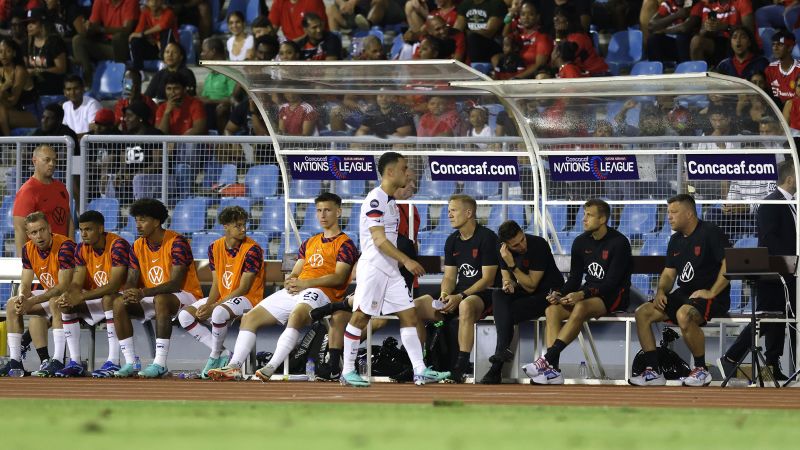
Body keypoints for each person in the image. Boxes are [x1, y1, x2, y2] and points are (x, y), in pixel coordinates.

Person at [208, 193, 357, 381]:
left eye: (327, 210)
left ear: (339, 212)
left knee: (296, 314)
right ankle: (234, 366)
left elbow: (339, 277)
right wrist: (291, 280)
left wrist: (305, 283)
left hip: (323, 293)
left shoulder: (345, 244)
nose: (322, 215)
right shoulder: (309, 242)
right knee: (250, 317)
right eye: (319, 210)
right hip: (300, 289)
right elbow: (297, 271)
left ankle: (271, 367)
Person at [340, 152, 449, 387]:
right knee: (360, 317)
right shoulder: (375, 200)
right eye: (403, 168)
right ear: (390, 172)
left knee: (409, 315)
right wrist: (407, 260)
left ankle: (420, 370)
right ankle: (347, 371)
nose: (407, 172)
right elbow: (379, 240)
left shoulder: (390, 201)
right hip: (374, 270)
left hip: (390, 271)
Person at [522, 198, 632, 384]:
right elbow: (574, 279)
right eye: (584, 214)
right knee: (552, 310)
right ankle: (553, 371)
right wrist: (561, 294)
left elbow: (612, 283)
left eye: (589, 215)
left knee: (580, 307)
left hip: (614, 295)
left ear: (603, 219)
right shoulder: (580, 242)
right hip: (588, 294)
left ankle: (546, 360)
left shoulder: (619, 242)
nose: (584, 219)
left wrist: (581, 294)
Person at [629, 194, 731, 387]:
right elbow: (668, 274)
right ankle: (654, 372)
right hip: (684, 294)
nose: (669, 216)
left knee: (684, 314)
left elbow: (728, 265)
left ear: (690, 213)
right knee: (642, 313)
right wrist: (660, 291)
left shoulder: (711, 232)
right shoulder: (675, 239)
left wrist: (712, 292)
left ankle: (701, 370)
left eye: (674, 212)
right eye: (668, 212)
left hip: (712, 297)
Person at [720, 160, 796, 381]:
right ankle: (732, 357)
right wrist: (791, 259)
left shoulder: (791, 202)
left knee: (779, 319)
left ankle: (772, 364)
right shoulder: (771, 203)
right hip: (774, 271)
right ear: (790, 179)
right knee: (765, 318)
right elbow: (770, 238)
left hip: (788, 272)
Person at [412, 194, 499, 383]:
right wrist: (444, 294)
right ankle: (419, 364)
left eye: (453, 210)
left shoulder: (487, 237)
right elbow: (450, 276)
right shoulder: (452, 240)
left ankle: (460, 366)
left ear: (468, 213)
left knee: (465, 306)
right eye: (448, 210)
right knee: (414, 307)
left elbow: (488, 279)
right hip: (458, 293)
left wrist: (460, 296)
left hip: (483, 295)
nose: (449, 214)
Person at [113, 198, 203, 378]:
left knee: (160, 299)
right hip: (151, 295)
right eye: (136, 220)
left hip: (185, 296)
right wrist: (130, 292)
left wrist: (142, 292)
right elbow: (132, 278)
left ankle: (159, 363)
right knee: (118, 303)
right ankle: (131, 362)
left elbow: (175, 283)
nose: (138, 225)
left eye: (143, 220)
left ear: (156, 222)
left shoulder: (177, 242)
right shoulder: (137, 245)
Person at [177, 206, 266, 379]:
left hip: (248, 298)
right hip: (225, 297)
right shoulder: (214, 248)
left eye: (244, 225)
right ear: (225, 226)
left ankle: (214, 356)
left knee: (218, 312)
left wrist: (214, 307)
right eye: (238, 226)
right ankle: (224, 353)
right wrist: (209, 304)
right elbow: (217, 283)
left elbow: (244, 288)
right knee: (184, 316)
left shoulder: (252, 250)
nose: (243, 229)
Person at [481, 219, 564, 384]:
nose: (522, 246)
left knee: (507, 313)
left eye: (522, 239)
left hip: (548, 294)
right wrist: (508, 285)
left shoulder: (538, 245)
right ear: (506, 245)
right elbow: (507, 279)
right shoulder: (501, 249)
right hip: (524, 292)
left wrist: (512, 265)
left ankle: (497, 366)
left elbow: (532, 286)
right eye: (516, 245)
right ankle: (502, 352)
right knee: (498, 295)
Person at [53, 210, 131, 377]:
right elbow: (76, 282)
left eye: (88, 229)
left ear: (101, 229)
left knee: (109, 299)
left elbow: (114, 286)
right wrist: (70, 295)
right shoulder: (81, 248)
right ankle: (75, 362)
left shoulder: (117, 245)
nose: (83, 234)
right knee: (66, 306)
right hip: (96, 298)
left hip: (122, 300)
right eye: (81, 230)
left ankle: (114, 361)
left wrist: (80, 296)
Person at [0, 211, 76, 377]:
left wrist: (32, 300)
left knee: (55, 300)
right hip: (50, 294)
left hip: (74, 295)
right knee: (13, 304)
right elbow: (26, 283)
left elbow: (63, 286)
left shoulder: (65, 246)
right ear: (28, 235)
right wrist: (22, 296)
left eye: (42, 230)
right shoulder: (28, 249)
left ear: (49, 228)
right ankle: (15, 362)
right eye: (34, 232)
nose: (39, 235)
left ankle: (57, 360)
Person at [12, 144, 72, 256]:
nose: (52, 164)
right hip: (40, 258)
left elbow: (68, 220)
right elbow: (20, 229)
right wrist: (23, 262)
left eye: (54, 160)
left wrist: (71, 249)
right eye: (47, 160)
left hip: (62, 255)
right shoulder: (27, 191)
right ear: (35, 161)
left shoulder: (61, 188)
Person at [71, 0, 139, 85]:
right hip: (106, 45)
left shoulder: (131, 1)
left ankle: (122, 78)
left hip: (125, 48)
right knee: (78, 40)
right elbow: (94, 25)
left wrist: (101, 29)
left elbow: (127, 29)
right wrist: (88, 28)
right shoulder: (99, 1)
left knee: (118, 38)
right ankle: (87, 83)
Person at [23, 7, 68, 96]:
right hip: (33, 88)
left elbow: (61, 69)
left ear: (43, 23)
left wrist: (39, 71)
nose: (29, 26)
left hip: (53, 87)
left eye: (33, 22)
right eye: (28, 23)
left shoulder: (54, 42)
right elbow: (24, 67)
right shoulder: (27, 43)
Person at [0, 36, 38, 136]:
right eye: (0, 52)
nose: (3, 55)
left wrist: (2, 91)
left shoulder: (20, 71)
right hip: (11, 111)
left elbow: (13, 101)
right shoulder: (1, 71)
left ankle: (8, 143)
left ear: (14, 53)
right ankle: (7, 144)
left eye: (7, 51)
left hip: (31, 113)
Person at [128, 0, 178, 71]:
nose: (154, 3)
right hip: (154, 47)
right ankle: (138, 70)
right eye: (151, 1)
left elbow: (163, 26)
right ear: (147, 3)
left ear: (161, 2)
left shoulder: (169, 12)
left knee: (166, 32)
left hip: (170, 48)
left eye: (157, 0)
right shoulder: (145, 13)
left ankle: (165, 64)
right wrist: (154, 40)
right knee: (135, 40)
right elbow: (138, 32)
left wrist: (143, 34)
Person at [764, 30, 800, 109]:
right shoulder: (770, 69)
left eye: (780, 44)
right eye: (773, 45)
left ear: (790, 47)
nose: (775, 48)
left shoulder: (799, 70)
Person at [61, 74, 102, 138]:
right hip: (71, 145)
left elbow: (94, 132)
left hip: (88, 146)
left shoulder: (92, 105)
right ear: (64, 92)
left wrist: (72, 138)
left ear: (83, 89)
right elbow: (63, 131)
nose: (72, 92)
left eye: (76, 88)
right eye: (69, 89)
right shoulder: (66, 106)